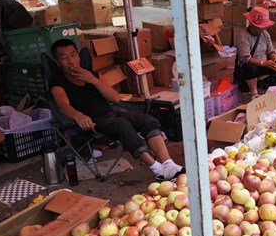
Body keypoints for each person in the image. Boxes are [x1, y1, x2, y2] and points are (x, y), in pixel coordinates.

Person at [49, 39, 184, 181]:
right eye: (64, 57)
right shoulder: (58, 83)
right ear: (57, 61)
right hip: (91, 122)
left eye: (73, 55)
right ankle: (158, 170)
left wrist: (93, 80)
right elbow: (63, 106)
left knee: (146, 120)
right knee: (122, 125)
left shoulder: (93, 75)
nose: (71, 61)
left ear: (78, 56)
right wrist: (78, 116)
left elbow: (114, 97)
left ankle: (168, 165)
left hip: (110, 113)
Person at [236, 6, 276, 99]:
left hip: (266, 64)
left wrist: (275, 60)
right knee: (249, 68)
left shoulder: (265, 34)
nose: (264, 28)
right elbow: (245, 59)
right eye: (261, 26)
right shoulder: (244, 37)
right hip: (253, 67)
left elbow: (270, 51)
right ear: (253, 25)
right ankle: (254, 94)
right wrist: (264, 63)